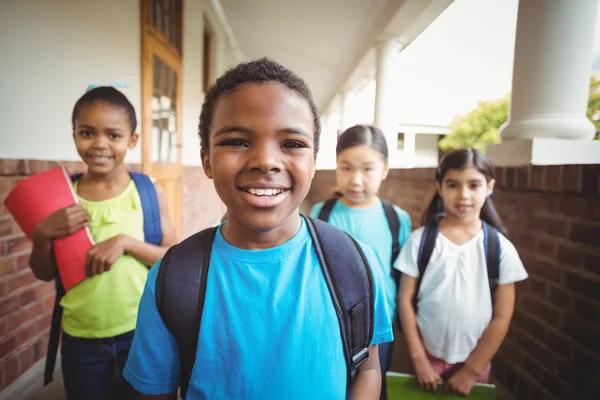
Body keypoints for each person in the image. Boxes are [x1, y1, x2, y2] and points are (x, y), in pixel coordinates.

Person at [123, 58, 393, 399]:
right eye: (236, 141)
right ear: (206, 160)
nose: (266, 161)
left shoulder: (354, 264)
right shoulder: (173, 277)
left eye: (292, 144)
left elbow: (367, 366)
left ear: (313, 162)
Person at [29, 86, 177, 400]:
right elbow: (43, 272)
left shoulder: (149, 192)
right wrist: (42, 234)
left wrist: (126, 242)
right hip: (81, 338)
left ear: (132, 140)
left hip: (141, 331)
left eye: (113, 135)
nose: (99, 144)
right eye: (87, 132)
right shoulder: (60, 197)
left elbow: (172, 258)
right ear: (74, 135)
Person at [395, 148, 527, 396]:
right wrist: (420, 359)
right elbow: (405, 301)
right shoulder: (420, 241)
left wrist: (471, 370)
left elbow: (502, 317)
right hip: (424, 357)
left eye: (474, 185)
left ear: (489, 187)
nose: (463, 195)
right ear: (439, 186)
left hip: (474, 363)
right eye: (453, 185)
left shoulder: (500, 249)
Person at [310, 124, 411, 399]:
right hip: (332, 323)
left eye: (368, 169)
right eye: (346, 168)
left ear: (385, 170)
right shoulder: (323, 213)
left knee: (372, 385)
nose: (356, 180)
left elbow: (401, 277)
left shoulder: (397, 219)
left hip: (379, 327)